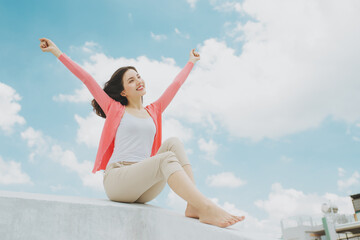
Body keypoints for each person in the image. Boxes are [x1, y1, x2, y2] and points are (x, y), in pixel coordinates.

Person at [39, 38, 245, 228]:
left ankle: (194, 204)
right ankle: (206, 207)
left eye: (138, 76)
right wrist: (57, 52)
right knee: (166, 158)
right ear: (122, 92)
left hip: (142, 186)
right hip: (118, 180)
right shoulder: (114, 109)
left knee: (173, 143)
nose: (138, 80)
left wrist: (191, 62)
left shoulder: (153, 111)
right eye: (131, 80)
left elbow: (176, 85)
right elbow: (87, 79)